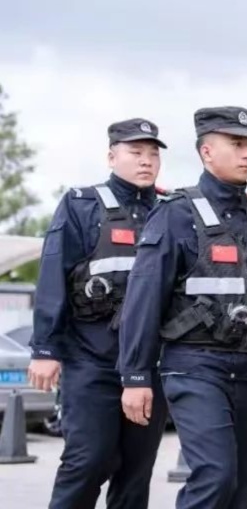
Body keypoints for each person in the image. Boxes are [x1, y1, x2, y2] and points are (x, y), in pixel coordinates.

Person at [117, 107, 247, 509]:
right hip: (194, 365)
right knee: (215, 474)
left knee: (240, 486)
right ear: (206, 152)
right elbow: (144, 297)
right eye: (237, 144)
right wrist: (135, 375)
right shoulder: (176, 214)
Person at [27, 118, 170, 509]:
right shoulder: (81, 204)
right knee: (89, 460)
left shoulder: (170, 211)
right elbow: (53, 274)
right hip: (91, 360)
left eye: (153, 154)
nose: (146, 161)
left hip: (150, 364)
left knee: (136, 473)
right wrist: (45, 348)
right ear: (111, 157)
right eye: (136, 152)